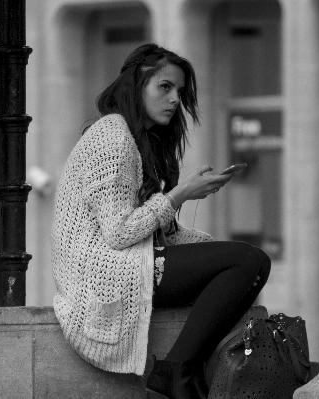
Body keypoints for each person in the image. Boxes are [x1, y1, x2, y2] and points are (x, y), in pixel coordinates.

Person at [50, 43, 271, 399]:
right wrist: (180, 194)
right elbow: (120, 232)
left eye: (179, 92)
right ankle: (178, 369)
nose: (174, 100)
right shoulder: (112, 135)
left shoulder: (140, 142)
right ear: (136, 86)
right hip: (105, 276)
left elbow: (157, 233)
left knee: (254, 261)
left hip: (134, 264)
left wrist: (209, 250)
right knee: (245, 260)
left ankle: (181, 368)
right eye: (164, 87)